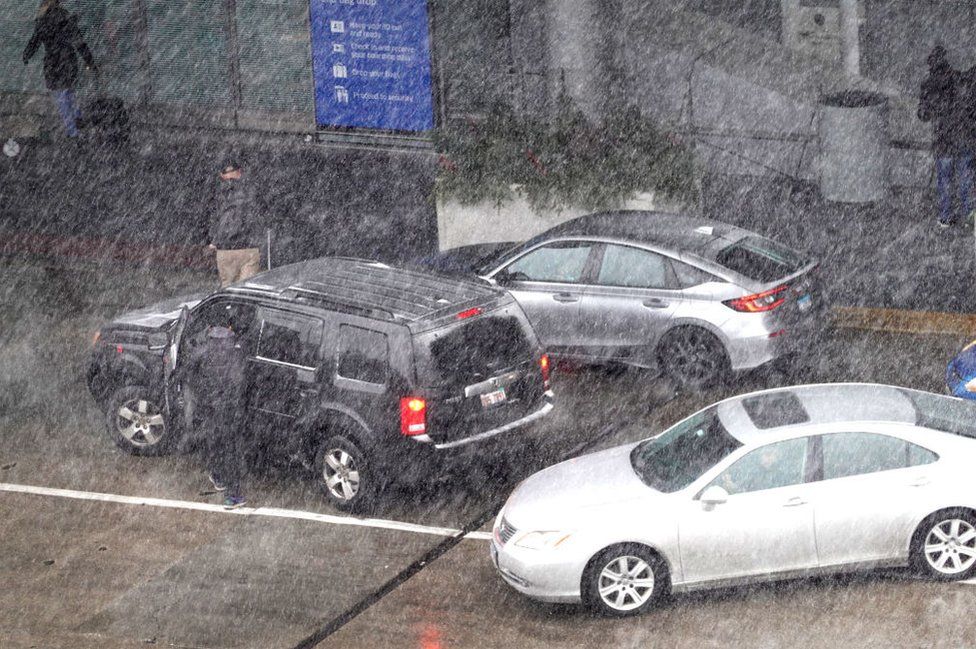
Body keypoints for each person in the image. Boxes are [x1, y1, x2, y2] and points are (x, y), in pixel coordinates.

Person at [185, 325, 249, 509]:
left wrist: (202, 396)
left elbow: (189, 375)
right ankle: (233, 496)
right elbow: (239, 382)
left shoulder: (202, 352)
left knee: (213, 443)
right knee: (231, 452)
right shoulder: (235, 355)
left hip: (209, 408)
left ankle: (217, 477)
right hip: (228, 410)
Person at [22, 0, 97, 139]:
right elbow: (80, 43)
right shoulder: (67, 18)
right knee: (68, 91)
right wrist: (90, 62)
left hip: (53, 63)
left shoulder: (42, 21)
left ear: (45, 5)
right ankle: (77, 116)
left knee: (61, 97)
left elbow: (35, 41)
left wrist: (27, 54)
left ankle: (73, 131)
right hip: (69, 61)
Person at [918, 46, 970, 228]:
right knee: (965, 179)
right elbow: (968, 104)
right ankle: (969, 215)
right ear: (945, 61)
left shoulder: (927, 85)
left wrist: (934, 108)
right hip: (964, 136)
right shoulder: (957, 78)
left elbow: (923, 115)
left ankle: (945, 217)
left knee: (944, 180)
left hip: (943, 140)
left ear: (931, 64)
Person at [209, 159, 263, 287]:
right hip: (249, 247)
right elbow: (260, 213)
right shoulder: (252, 189)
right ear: (240, 172)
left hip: (225, 248)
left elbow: (213, 217)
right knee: (247, 289)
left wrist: (214, 240)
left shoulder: (216, 194)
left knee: (228, 289)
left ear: (221, 175)